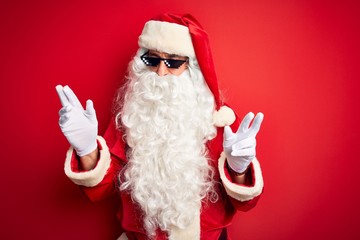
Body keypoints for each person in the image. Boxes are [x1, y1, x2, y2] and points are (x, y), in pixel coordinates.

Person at [56, 13, 264, 240]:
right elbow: (102, 189)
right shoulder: (132, 117)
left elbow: (244, 203)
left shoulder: (218, 122)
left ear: (192, 68)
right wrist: (87, 150)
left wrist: (239, 170)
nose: (161, 72)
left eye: (173, 62)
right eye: (152, 60)